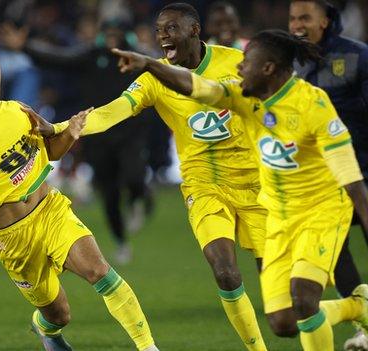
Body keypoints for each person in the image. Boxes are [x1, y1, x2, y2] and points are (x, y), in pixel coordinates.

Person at [111, 28, 368, 351]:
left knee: (304, 299)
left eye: (247, 61)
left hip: (321, 210)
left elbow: (349, 175)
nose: (239, 67)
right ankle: (358, 305)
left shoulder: (313, 104)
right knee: (284, 322)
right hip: (278, 218)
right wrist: (150, 65)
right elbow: (197, 87)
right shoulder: (244, 97)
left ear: (269, 69)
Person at [54, 4, 269, 350]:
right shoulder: (154, 78)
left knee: (283, 297)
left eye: (171, 29)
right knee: (226, 272)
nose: (163, 37)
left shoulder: (235, 61)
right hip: (203, 186)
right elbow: (113, 112)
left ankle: (354, 309)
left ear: (195, 30)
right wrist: (61, 128)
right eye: (159, 31)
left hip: (253, 183)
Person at [0, 33, 159, 351]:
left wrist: (70, 132)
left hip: (50, 211)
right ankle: (46, 330)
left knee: (100, 271)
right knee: (58, 314)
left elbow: (51, 151)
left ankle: (148, 347)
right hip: (13, 240)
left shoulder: (17, 110)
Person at [1, 18, 156, 264]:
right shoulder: (90, 56)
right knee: (110, 195)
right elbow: (58, 58)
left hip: (131, 133)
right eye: (109, 33)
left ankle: (139, 198)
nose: (112, 38)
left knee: (135, 175)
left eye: (117, 33)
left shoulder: (139, 59)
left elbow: (167, 68)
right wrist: (25, 47)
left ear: (127, 36)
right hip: (97, 136)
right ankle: (121, 242)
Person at [288, 1, 368, 348]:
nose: (296, 25)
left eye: (304, 17)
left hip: (362, 169)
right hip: (320, 178)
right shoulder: (288, 62)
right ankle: (364, 327)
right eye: (292, 18)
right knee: (336, 254)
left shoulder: (358, 56)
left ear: (326, 19)